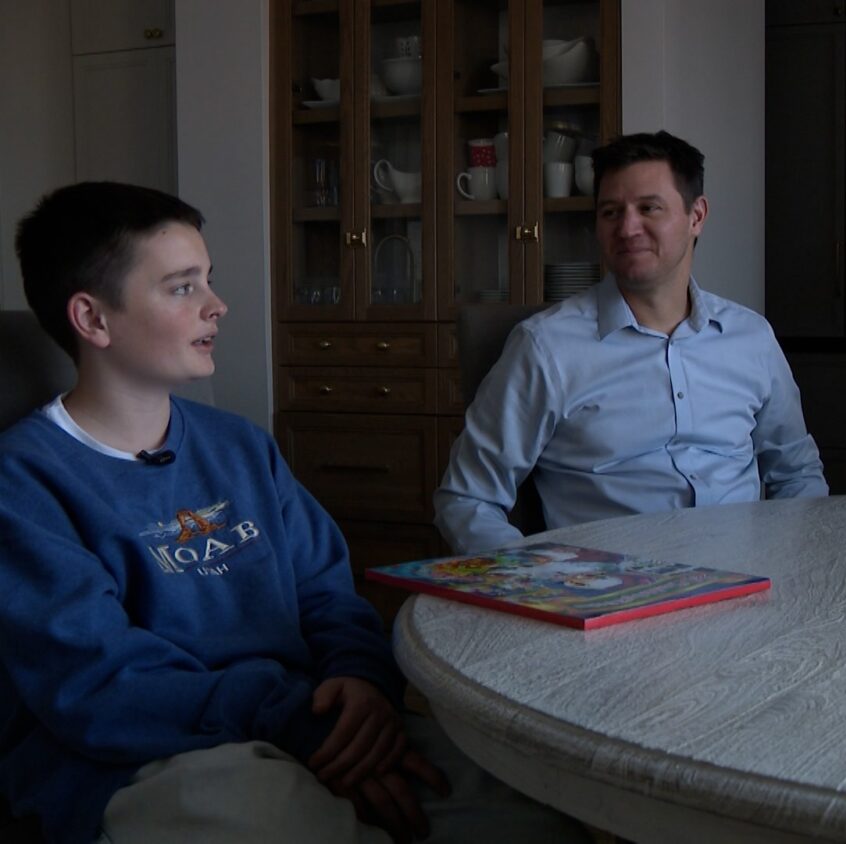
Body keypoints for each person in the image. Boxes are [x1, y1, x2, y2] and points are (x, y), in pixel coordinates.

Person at [0, 182, 590, 843]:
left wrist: (357, 684)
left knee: (528, 811)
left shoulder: (239, 445)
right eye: (181, 287)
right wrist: (302, 723)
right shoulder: (22, 481)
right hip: (139, 758)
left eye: (209, 281)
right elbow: (99, 685)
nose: (217, 306)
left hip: (312, 713)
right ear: (93, 320)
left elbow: (329, 593)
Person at [436, 130, 828, 553]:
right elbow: (467, 498)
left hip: (749, 583)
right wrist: (539, 584)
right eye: (610, 212)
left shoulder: (751, 338)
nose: (627, 228)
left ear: (696, 216)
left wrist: (793, 565)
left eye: (649, 208)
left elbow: (796, 474)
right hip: (614, 596)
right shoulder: (546, 348)